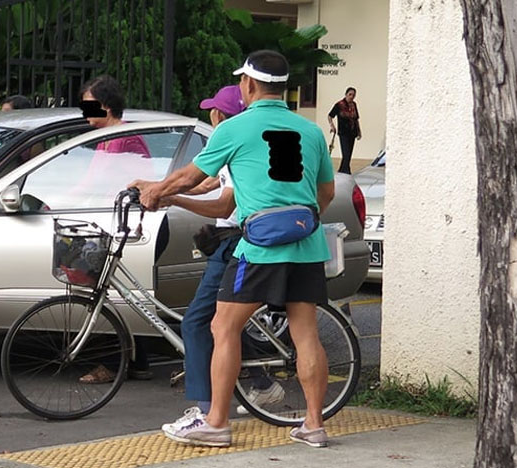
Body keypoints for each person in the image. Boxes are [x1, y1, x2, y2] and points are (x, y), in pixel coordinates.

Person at [134, 50, 335, 449]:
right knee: (305, 334)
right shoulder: (310, 131)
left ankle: (216, 422)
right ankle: (313, 424)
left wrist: (155, 192)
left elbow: (193, 175)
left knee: (222, 327)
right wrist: (297, 219)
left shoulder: (234, 128)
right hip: (307, 244)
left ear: (248, 84)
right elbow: (325, 192)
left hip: (259, 248)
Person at [152, 85, 246, 432]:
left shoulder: (235, 143)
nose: (212, 116)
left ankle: (207, 410)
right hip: (230, 242)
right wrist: (162, 188)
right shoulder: (237, 143)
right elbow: (207, 184)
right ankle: (264, 384)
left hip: (233, 244)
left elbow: (225, 204)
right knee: (227, 319)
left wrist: (172, 199)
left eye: (215, 111)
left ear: (221, 116)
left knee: (196, 321)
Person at [75, 75, 154, 384]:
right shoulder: (108, 137)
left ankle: (112, 362)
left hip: (131, 225)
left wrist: (66, 196)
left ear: (105, 106)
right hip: (116, 223)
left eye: (89, 104)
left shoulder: (124, 139)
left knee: (110, 293)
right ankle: (137, 360)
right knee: (123, 293)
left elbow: (98, 180)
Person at [327, 87, 361, 174]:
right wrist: (332, 126)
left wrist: (359, 131)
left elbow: (356, 119)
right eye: (350, 94)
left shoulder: (354, 105)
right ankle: (346, 172)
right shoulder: (339, 105)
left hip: (353, 132)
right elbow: (330, 115)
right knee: (346, 154)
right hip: (343, 133)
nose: (351, 97)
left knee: (349, 154)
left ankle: (342, 171)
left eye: (353, 95)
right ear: (346, 94)